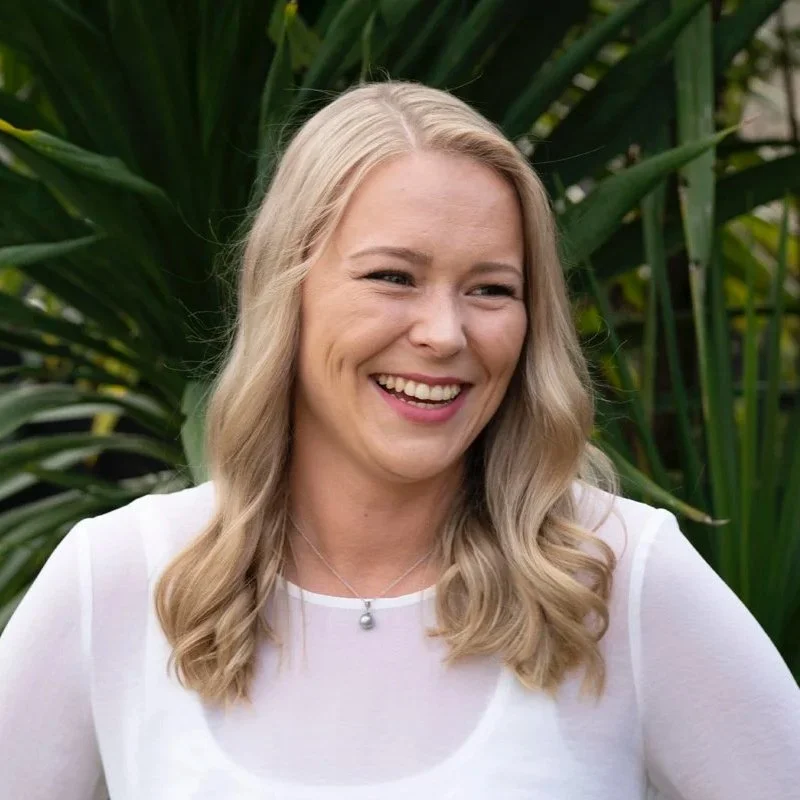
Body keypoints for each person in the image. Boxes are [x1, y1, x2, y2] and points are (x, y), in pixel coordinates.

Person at [1, 80, 798, 800]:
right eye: (394, 277)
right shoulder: (117, 580)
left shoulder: (617, 577)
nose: (445, 333)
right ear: (289, 289)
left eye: (491, 289)